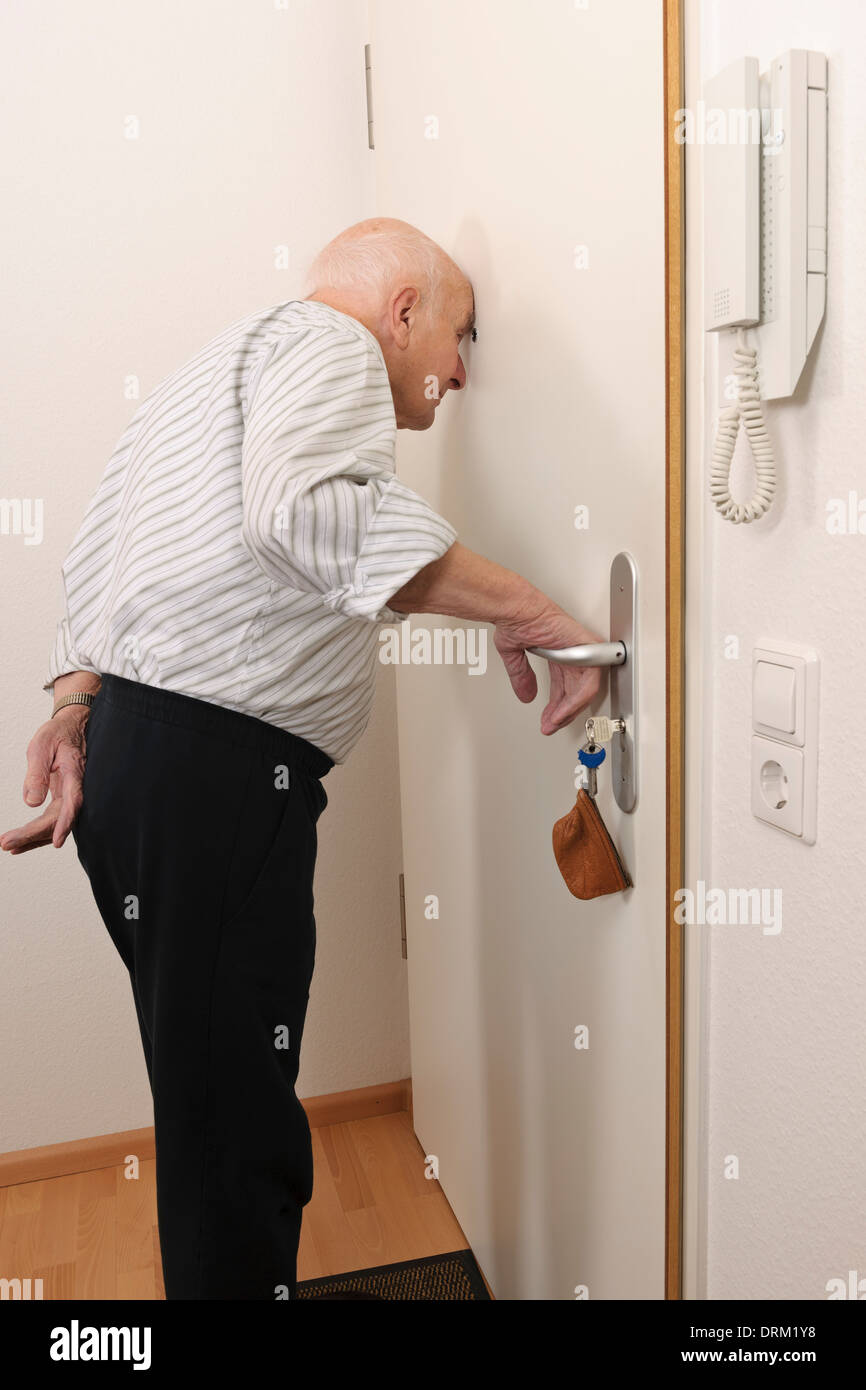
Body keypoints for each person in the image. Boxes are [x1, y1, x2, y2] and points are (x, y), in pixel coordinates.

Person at [1, 217, 602, 1299]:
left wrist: (75, 711)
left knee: (206, 1101)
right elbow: (305, 516)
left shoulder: (200, 380)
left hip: (139, 766)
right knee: (235, 1134)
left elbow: (93, 564)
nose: (459, 371)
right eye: (458, 335)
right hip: (210, 776)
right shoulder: (330, 346)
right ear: (401, 313)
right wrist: (527, 608)